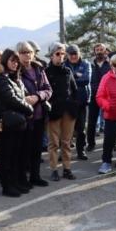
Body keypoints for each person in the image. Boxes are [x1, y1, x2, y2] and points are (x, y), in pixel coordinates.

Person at [0, 49, 34, 197]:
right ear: (5, 61)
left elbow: (23, 95)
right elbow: (11, 99)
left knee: (17, 153)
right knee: (6, 155)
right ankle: (7, 185)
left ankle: (15, 182)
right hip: (5, 123)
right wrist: (29, 108)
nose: (15, 63)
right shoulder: (0, 78)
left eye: (16, 61)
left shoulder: (15, 77)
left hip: (17, 123)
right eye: (12, 60)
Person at [17, 41, 52, 188]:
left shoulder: (39, 69)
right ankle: (23, 179)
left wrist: (37, 96)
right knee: (24, 150)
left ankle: (35, 176)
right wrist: (25, 100)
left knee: (37, 149)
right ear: (18, 54)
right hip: (24, 116)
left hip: (39, 115)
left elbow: (48, 89)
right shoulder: (15, 70)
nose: (27, 55)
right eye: (24, 52)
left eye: (29, 52)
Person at [45, 42, 79, 181]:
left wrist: (75, 106)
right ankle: (54, 169)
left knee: (66, 142)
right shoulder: (46, 72)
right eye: (58, 54)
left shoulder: (68, 71)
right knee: (53, 143)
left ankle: (67, 168)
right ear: (52, 55)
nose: (61, 57)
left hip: (68, 111)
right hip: (53, 112)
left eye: (63, 54)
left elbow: (75, 90)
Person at [64, 44, 91, 160]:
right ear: (67, 55)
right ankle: (65, 153)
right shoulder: (63, 64)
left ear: (79, 53)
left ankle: (81, 151)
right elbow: (64, 82)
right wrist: (77, 76)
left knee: (81, 129)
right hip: (67, 101)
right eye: (71, 54)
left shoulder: (86, 63)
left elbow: (86, 80)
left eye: (75, 53)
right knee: (66, 130)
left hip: (82, 100)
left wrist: (71, 77)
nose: (73, 56)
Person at [87, 43, 110, 152]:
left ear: (105, 51)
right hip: (93, 95)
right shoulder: (90, 64)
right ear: (94, 51)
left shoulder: (111, 63)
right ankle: (90, 143)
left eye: (102, 49)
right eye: (97, 49)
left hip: (108, 96)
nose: (99, 51)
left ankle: (111, 143)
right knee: (92, 121)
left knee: (109, 121)